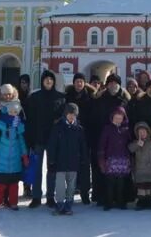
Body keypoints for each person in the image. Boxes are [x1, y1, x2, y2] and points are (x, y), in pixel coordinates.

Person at [27, 70, 66, 208]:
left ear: (54, 81)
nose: (48, 81)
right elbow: (30, 120)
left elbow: (63, 120)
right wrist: (30, 139)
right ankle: (36, 196)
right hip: (38, 139)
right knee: (36, 169)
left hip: (54, 140)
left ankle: (50, 196)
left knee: (52, 169)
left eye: (51, 79)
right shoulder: (35, 97)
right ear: (42, 81)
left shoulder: (61, 98)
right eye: (46, 79)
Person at [91, 74, 131, 206]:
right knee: (102, 170)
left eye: (116, 83)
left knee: (121, 173)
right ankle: (103, 197)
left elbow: (129, 118)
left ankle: (121, 198)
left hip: (121, 140)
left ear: (119, 85)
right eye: (110, 83)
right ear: (107, 85)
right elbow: (95, 117)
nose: (113, 85)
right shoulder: (100, 98)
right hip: (103, 138)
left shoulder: (125, 100)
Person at [0, 99, 29, 210]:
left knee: (14, 185)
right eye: (11, 111)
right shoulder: (0, 124)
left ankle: (13, 202)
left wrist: (24, 156)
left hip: (15, 161)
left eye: (16, 112)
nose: (13, 113)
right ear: (7, 111)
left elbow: (21, 142)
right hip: (1, 160)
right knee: (0, 185)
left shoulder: (19, 125)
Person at [47, 103, 88, 216]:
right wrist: (51, 159)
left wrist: (84, 158)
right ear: (65, 114)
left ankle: (68, 205)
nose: (71, 116)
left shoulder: (79, 129)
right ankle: (60, 204)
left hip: (74, 162)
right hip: (60, 162)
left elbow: (83, 145)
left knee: (71, 186)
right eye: (70, 114)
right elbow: (52, 145)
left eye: (74, 114)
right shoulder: (58, 127)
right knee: (60, 185)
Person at [65, 72, 95, 204]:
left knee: (85, 164)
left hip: (87, 134)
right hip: (71, 134)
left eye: (81, 81)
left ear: (84, 83)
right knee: (71, 163)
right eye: (77, 81)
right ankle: (71, 190)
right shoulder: (68, 97)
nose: (79, 83)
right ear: (74, 83)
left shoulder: (90, 97)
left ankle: (85, 192)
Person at [98, 106, 132, 210]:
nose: (118, 120)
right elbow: (102, 145)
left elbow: (130, 145)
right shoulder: (107, 129)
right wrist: (101, 160)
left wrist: (130, 159)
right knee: (110, 182)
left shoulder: (126, 130)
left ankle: (120, 202)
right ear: (112, 118)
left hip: (123, 160)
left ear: (123, 119)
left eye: (120, 118)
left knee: (121, 183)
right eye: (116, 118)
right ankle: (108, 202)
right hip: (110, 160)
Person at [128, 122, 151, 210]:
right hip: (140, 170)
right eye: (140, 132)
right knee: (141, 188)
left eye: (144, 131)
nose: (142, 133)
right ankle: (141, 202)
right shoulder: (135, 143)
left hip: (150, 169)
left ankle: (148, 201)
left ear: (148, 132)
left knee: (148, 187)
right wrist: (137, 145)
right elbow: (130, 149)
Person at [17, 74, 32, 199]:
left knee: (27, 161)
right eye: (22, 82)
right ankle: (13, 186)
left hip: (28, 135)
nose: (24, 85)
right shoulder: (15, 98)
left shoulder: (31, 97)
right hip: (16, 134)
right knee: (16, 161)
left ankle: (27, 187)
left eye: (26, 82)